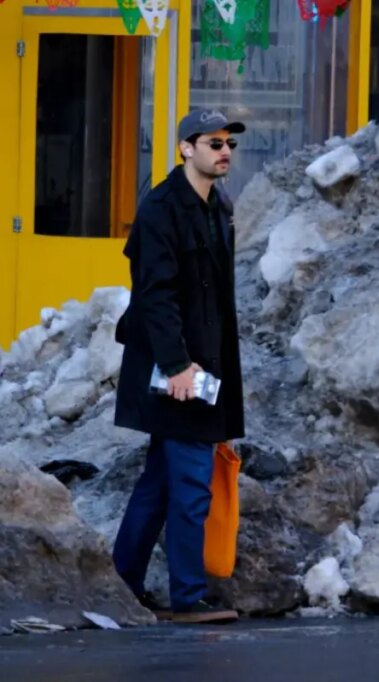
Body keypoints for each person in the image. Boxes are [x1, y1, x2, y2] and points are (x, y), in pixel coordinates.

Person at [112, 110, 247, 625]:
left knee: (162, 483)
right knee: (191, 484)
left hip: (203, 369)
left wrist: (219, 386)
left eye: (228, 142)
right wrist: (177, 366)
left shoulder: (219, 207)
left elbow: (217, 306)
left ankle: (123, 582)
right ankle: (188, 598)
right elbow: (155, 295)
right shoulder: (160, 210)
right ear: (185, 148)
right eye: (213, 142)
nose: (224, 150)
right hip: (173, 370)